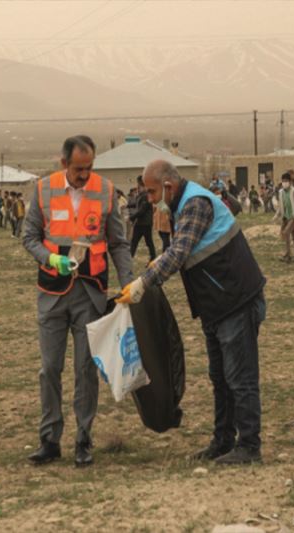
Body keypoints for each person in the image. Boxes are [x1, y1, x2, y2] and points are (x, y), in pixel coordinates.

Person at [118, 159, 266, 465]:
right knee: (220, 377)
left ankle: (249, 445)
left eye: (151, 192)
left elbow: (180, 251)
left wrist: (144, 282)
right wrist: (156, 264)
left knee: (240, 377)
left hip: (235, 299)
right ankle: (223, 440)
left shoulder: (195, 203)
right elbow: (183, 250)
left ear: (168, 187)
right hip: (216, 304)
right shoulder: (181, 204)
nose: (149, 199)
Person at [23, 135, 133, 468]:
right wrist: (49, 258)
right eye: (78, 169)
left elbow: (118, 243)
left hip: (90, 293)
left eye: (89, 168)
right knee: (50, 369)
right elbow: (28, 236)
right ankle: (49, 439)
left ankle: (83, 440)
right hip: (52, 293)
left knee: (86, 369)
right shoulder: (44, 190)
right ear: (64, 164)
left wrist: (128, 283)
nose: (85, 175)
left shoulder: (106, 190)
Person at [273, 173, 294, 263]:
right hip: (285, 217)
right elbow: (281, 206)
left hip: (293, 217)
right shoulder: (281, 192)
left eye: (286, 181)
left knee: (286, 233)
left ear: (290, 182)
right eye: (283, 181)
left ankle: (287, 255)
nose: (284, 183)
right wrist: (276, 215)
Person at [129, 176, 156, 261]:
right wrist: (127, 205)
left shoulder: (146, 195)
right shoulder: (142, 195)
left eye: (138, 185)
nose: (137, 187)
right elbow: (137, 204)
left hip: (144, 223)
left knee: (136, 241)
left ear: (142, 185)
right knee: (145, 241)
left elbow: (142, 210)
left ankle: (130, 257)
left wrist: (131, 217)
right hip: (142, 223)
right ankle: (153, 256)